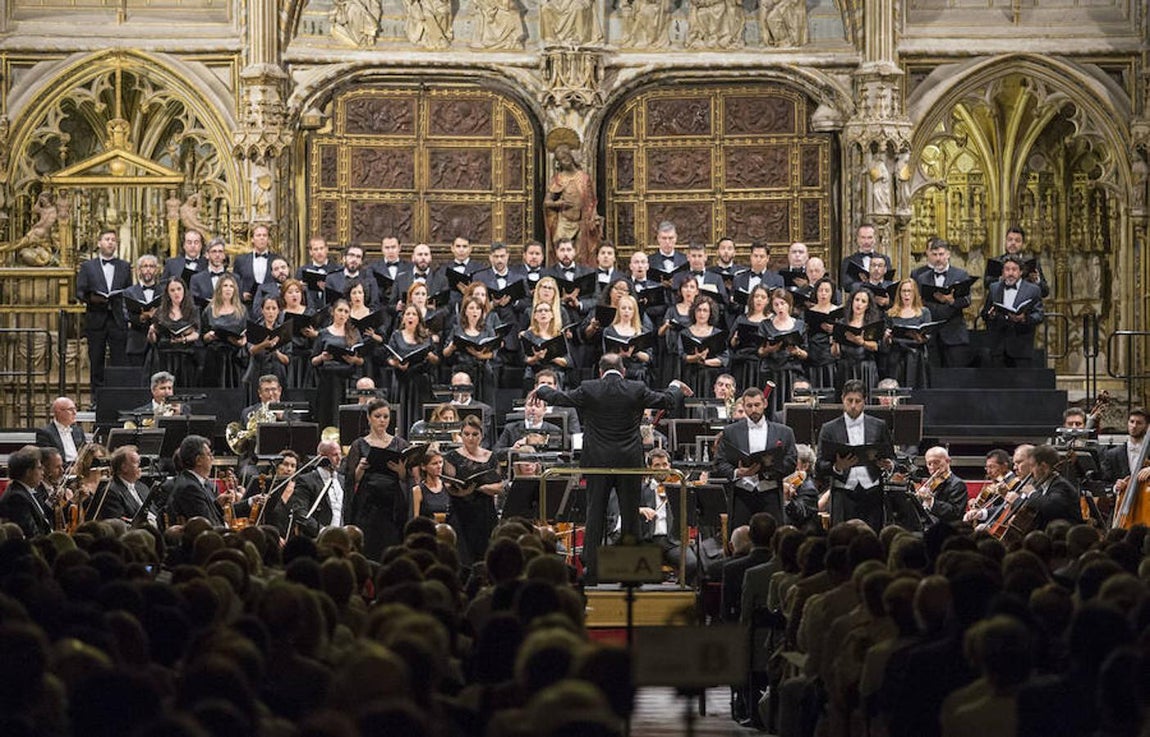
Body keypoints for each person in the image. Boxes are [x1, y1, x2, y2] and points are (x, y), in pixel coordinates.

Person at [529, 352, 690, 585]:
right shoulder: (636, 388)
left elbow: (561, 398)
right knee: (630, 515)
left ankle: (592, 573)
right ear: (623, 371)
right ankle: (631, 576)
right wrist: (675, 386)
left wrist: (541, 390)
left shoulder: (589, 388)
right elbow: (667, 401)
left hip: (597, 463)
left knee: (595, 515)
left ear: (600, 372)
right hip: (628, 464)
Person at [815, 379, 895, 531]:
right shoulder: (829, 428)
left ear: (865, 401)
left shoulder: (879, 425)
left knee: (872, 540)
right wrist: (837, 467)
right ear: (842, 399)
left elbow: (892, 457)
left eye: (857, 401)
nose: (853, 405)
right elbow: (819, 466)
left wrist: (888, 464)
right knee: (842, 542)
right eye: (849, 400)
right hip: (842, 494)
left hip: (872, 493)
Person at [714, 386, 798, 528]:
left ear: (764, 404)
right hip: (742, 494)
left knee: (772, 540)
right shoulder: (730, 432)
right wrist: (737, 472)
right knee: (740, 539)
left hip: (770, 493)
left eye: (757, 405)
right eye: (749, 406)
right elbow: (720, 462)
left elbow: (791, 461)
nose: (753, 409)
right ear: (744, 406)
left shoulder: (784, 432)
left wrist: (768, 472)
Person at [345, 400, 410, 560]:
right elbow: (351, 479)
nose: (382, 420)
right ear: (369, 417)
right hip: (368, 503)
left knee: (391, 545)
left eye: (386, 416)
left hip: (392, 503)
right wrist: (360, 468)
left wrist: (400, 471)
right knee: (368, 545)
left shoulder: (400, 443)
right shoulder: (359, 444)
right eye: (378, 416)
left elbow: (406, 478)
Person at [76, 228, 132, 395]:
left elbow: (129, 291)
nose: (110, 242)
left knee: (119, 360)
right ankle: (97, 398)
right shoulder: (87, 266)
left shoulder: (124, 266)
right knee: (97, 360)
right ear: (99, 243)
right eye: (107, 239)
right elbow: (79, 291)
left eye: (113, 240)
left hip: (117, 318)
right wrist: (92, 298)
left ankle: (118, 396)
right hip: (96, 317)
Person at [443, 415, 503, 566]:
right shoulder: (452, 456)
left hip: (485, 513)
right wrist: (461, 492)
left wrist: (481, 488)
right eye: (467, 434)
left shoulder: (491, 457)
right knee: (462, 558)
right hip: (460, 511)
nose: (470, 438)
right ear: (461, 435)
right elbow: (448, 485)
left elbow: (499, 486)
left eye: (475, 434)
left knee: (485, 557)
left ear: (482, 436)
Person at [638, 447, 698, 581]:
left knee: (692, 564)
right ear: (649, 468)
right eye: (657, 465)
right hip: (648, 541)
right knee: (645, 570)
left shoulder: (679, 489)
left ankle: (678, 591)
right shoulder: (641, 490)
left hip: (673, 541)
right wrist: (640, 510)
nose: (662, 468)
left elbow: (692, 518)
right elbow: (627, 509)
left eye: (665, 464)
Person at [914, 238, 971, 369]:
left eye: (941, 254)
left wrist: (951, 301)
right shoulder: (922, 278)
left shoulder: (960, 275)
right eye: (934, 255)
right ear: (928, 255)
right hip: (931, 336)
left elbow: (967, 300)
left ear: (948, 254)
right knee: (933, 378)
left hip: (954, 335)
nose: (938, 258)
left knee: (956, 379)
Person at [980, 255, 1045, 368]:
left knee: (1021, 384)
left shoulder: (1033, 290)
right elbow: (985, 313)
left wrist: (1024, 318)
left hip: (1021, 347)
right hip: (998, 347)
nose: (1010, 273)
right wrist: (990, 315)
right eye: (1007, 269)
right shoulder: (994, 288)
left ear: (1020, 272)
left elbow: (1039, 315)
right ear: (1003, 272)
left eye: (1014, 269)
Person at [312, 299, 366, 428]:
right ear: (333, 312)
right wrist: (322, 357)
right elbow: (313, 360)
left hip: (347, 379)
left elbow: (361, 360)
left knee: (346, 417)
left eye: (346, 311)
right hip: (328, 380)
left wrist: (354, 360)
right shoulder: (323, 333)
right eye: (340, 310)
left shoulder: (354, 333)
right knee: (328, 415)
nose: (342, 314)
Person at [544, 144, 600, 264]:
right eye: (561, 159)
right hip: (564, 221)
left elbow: (591, 201)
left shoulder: (583, 178)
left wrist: (592, 216)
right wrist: (559, 203)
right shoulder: (559, 179)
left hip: (581, 221)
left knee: (580, 255)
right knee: (561, 251)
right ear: (559, 163)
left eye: (566, 157)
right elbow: (547, 202)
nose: (565, 161)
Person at [387, 303, 438, 432]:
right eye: (407, 314)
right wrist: (397, 364)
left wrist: (431, 357)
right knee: (401, 415)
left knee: (418, 415)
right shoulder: (396, 335)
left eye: (414, 314)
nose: (410, 317)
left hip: (420, 382)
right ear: (403, 318)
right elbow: (389, 357)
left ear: (419, 319)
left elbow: (436, 359)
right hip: (401, 381)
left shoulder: (426, 336)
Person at [166, 435, 234, 527]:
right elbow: (208, 526)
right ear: (198, 460)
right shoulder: (190, 488)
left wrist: (217, 504)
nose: (212, 458)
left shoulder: (193, 482)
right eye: (209, 455)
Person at [758, 288, 808, 414]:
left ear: (789, 305)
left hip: (791, 372)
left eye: (783, 303)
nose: (780, 307)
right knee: (770, 409)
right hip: (771, 372)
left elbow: (806, 353)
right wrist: (769, 349)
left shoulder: (800, 325)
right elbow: (760, 351)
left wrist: (797, 351)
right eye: (776, 304)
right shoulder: (765, 325)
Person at [147, 277, 200, 387]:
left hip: (185, 355)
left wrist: (183, 339)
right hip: (164, 355)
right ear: (167, 293)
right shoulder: (160, 311)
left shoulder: (192, 310)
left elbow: (196, 333)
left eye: (179, 289)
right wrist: (151, 332)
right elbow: (154, 340)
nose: (176, 293)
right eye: (172, 290)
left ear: (184, 290)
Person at [199, 273, 248, 388]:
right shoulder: (209, 310)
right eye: (225, 285)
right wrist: (209, 335)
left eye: (231, 286)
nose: (228, 289)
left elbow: (246, 333)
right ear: (219, 289)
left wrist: (243, 341)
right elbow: (202, 337)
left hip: (234, 358)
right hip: (214, 357)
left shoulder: (242, 310)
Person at [887, 278, 932, 388]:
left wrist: (920, 338)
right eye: (904, 291)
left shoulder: (924, 312)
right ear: (899, 293)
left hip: (916, 357)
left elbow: (928, 336)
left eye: (909, 291)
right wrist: (886, 337)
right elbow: (886, 339)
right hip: (896, 356)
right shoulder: (891, 313)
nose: (906, 294)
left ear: (914, 293)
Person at [679, 295, 728, 397]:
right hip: (691, 377)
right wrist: (695, 358)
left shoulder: (717, 333)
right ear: (694, 312)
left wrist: (704, 361)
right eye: (699, 310)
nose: (701, 314)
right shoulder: (684, 333)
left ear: (710, 313)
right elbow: (681, 356)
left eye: (705, 310)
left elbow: (724, 358)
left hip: (711, 378)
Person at [0, 445, 51, 537]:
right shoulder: (17, 497)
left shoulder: (23, 491)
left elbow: (40, 517)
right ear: (28, 472)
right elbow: (31, 533)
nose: (43, 473)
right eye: (39, 468)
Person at [986, 225, 1049, 298]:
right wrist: (1000, 279)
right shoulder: (996, 262)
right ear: (1005, 242)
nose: (1013, 243)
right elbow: (987, 284)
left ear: (1023, 244)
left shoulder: (1032, 263)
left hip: (1026, 305)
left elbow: (1045, 292)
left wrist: (1037, 280)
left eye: (1017, 240)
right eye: (1010, 240)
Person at [912, 446, 968, 525]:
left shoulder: (957, 484)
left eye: (936, 462)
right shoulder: (930, 482)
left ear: (948, 461)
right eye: (929, 464)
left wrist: (930, 501)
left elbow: (956, 513)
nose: (932, 467)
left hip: (945, 528)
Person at [92, 444, 149, 522]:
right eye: (137, 463)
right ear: (124, 467)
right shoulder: (111, 492)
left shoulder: (143, 487)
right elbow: (118, 525)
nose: (141, 467)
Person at [1101, 407, 1150, 495]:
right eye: (1131, 422)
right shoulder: (1112, 454)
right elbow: (1104, 483)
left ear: (1147, 426)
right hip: (1121, 505)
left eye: (1139, 423)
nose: (1134, 426)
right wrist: (1115, 487)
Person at [124, 254, 161, 367]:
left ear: (157, 270)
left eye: (151, 266)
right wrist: (141, 318)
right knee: (136, 380)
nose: (148, 269)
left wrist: (155, 315)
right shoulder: (129, 292)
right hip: (137, 341)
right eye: (144, 266)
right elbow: (125, 314)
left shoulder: (164, 291)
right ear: (139, 270)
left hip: (159, 342)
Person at [495, 399, 563, 459]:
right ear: (525, 408)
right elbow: (495, 452)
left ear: (544, 410)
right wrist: (512, 449)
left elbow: (559, 456)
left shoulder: (554, 430)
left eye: (537, 406)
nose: (533, 408)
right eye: (530, 405)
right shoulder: (510, 428)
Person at [233, 223, 281, 304]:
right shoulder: (240, 260)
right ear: (252, 239)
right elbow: (234, 282)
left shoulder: (277, 259)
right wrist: (241, 295)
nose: (261, 238)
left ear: (268, 239)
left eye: (264, 235)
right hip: (247, 307)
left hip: (272, 307)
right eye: (258, 235)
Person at [35, 397, 85, 463]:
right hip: (62, 469)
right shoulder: (45, 433)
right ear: (58, 412)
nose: (75, 412)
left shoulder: (78, 431)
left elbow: (84, 452)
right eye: (70, 409)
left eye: (75, 409)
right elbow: (48, 460)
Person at [839, 223, 884, 293]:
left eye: (870, 237)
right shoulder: (848, 261)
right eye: (863, 237)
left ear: (875, 239)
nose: (866, 242)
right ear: (857, 239)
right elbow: (846, 285)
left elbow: (888, 283)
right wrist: (871, 283)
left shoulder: (884, 259)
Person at [189, 237, 232, 308]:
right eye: (214, 251)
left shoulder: (234, 278)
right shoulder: (196, 279)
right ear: (207, 255)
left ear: (224, 255)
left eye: (220, 251)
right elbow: (194, 306)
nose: (217, 255)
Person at [412, 448, 451, 521]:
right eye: (434, 463)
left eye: (440, 462)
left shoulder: (448, 486)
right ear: (423, 467)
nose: (439, 466)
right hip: (428, 529)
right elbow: (416, 518)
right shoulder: (418, 490)